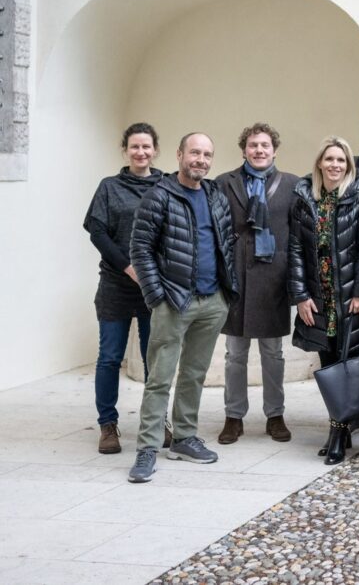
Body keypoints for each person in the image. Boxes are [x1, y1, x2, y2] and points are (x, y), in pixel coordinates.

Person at [127, 133, 238, 483]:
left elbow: (227, 243)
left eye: (207, 154)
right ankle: (148, 447)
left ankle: (184, 438)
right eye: (195, 152)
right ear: (179, 154)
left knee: (194, 374)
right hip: (174, 300)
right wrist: (156, 295)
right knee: (159, 378)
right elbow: (140, 248)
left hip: (212, 300)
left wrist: (226, 292)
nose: (201, 160)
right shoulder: (159, 195)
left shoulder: (215, 196)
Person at [287, 136, 359, 465]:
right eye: (330, 159)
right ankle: (341, 426)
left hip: (349, 299)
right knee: (328, 367)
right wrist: (300, 296)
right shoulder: (304, 199)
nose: (335, 165)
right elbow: (295, 250)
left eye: (341, 160)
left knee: (347, 366)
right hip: (319, 299)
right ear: (320, 164)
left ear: (348, 166)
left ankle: (338, 433)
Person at [216, 123, 299, 446]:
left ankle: (275, 415)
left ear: (274, 150)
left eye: (265, 145)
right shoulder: (224, 183)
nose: (259, 150)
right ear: (244, 150)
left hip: (273, 281)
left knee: (273, 353)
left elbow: (298, 234)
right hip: (236, 278)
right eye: (253, 145)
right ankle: (233, 416)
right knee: (234, 354)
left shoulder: (292, 184)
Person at [84, 123, 164, 455]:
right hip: (116, 285)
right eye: (135, 146)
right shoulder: (109, 186)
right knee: (109, 358)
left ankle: (156, 421)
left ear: (155, 150)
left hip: (153, 287)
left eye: (146, 146)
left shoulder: (166, 185)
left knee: (154, 359)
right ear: (125, 150)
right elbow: (97, 231)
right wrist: (128, 267)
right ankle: (108, 425)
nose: (140, 152)